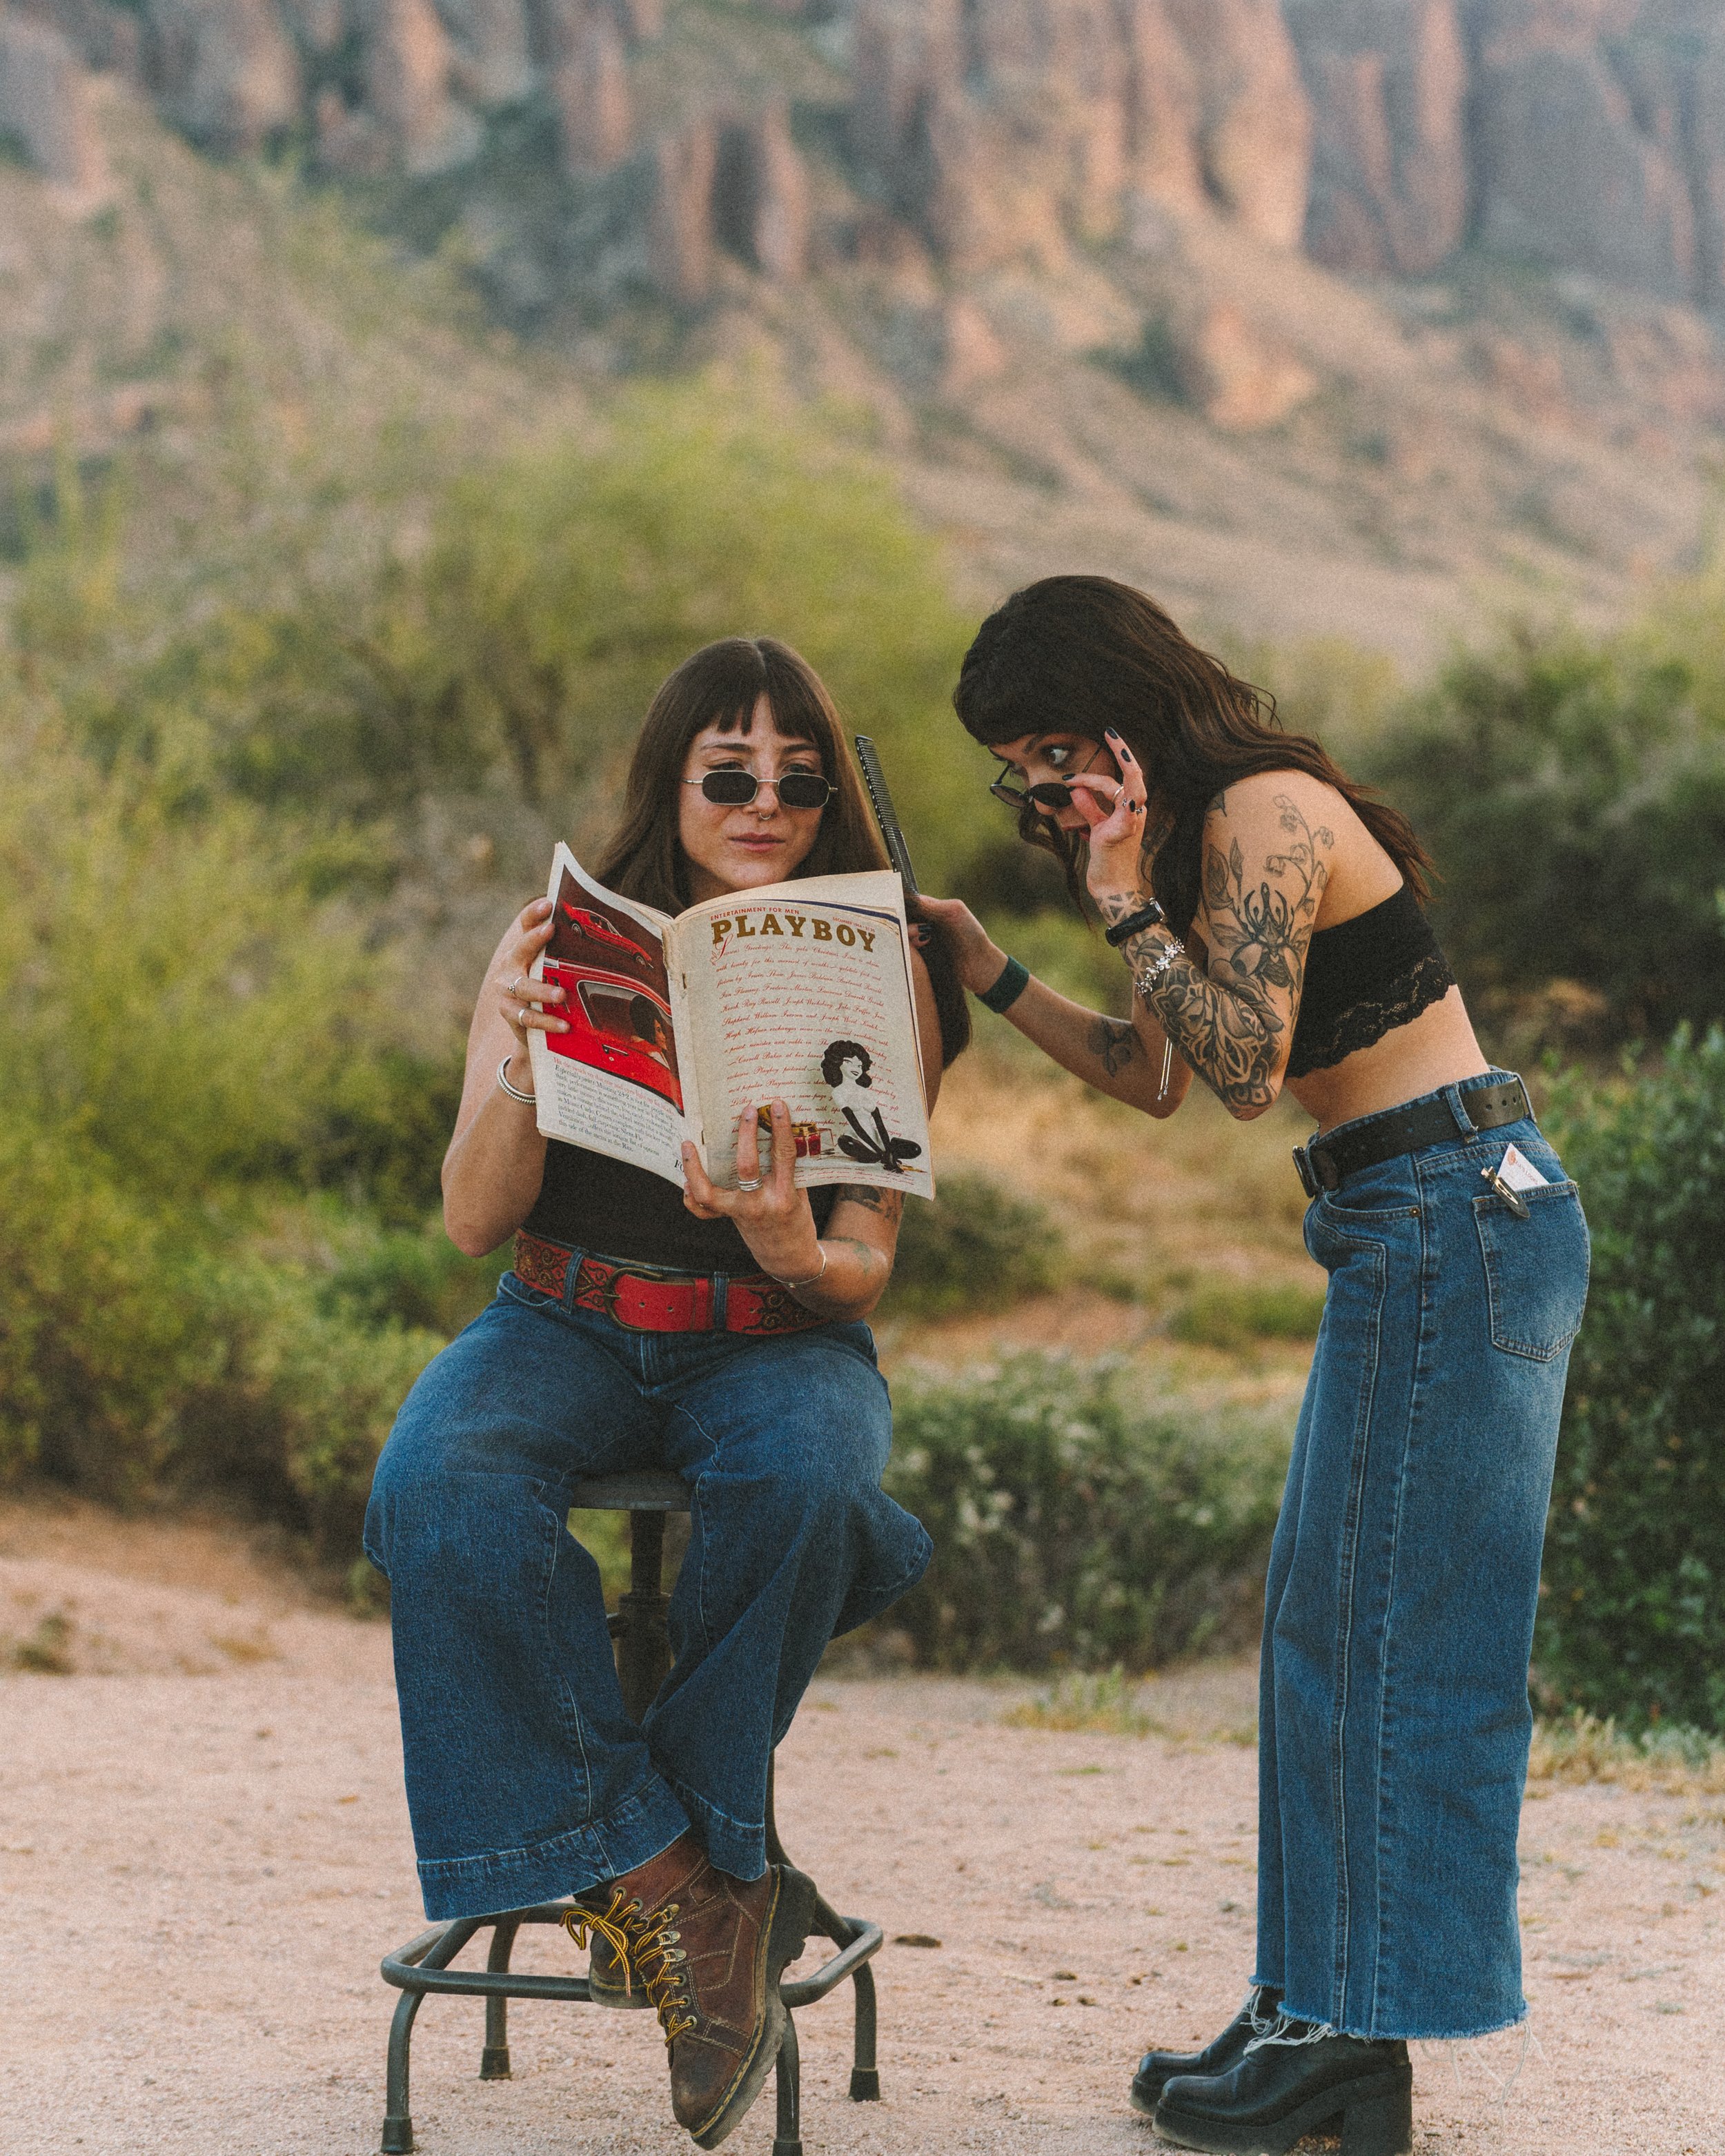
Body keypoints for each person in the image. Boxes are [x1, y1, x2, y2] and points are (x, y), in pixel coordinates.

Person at [916, 576, 1588, 2156]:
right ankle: (1305, 2002)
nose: (1041, 789)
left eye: (1052, 748)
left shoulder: (1266, 813)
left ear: (1123, 706)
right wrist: (991, 966)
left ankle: (1356, 2038)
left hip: (1453, 1208)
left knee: (1387, 1641)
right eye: (1018, 767)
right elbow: (1150, 1070)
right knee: (1318, 1625)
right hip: (1401, 1215)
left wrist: (1119, 893)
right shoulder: (1184, 842)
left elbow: (1235, 1072)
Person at [364, 636, 967, 2153]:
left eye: (797, 778)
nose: (763, 800)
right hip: (558, 1320)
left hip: (774, 1337)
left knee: (815, 1480)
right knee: (433, 1487)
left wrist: (785, 1242)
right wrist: (511, 1050)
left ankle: (681, 1881)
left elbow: (860, 1265)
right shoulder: (563, 940)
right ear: (671, 784)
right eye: (726, 774)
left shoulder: (880, 964)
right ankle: (687, 1886)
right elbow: (468, 1219)